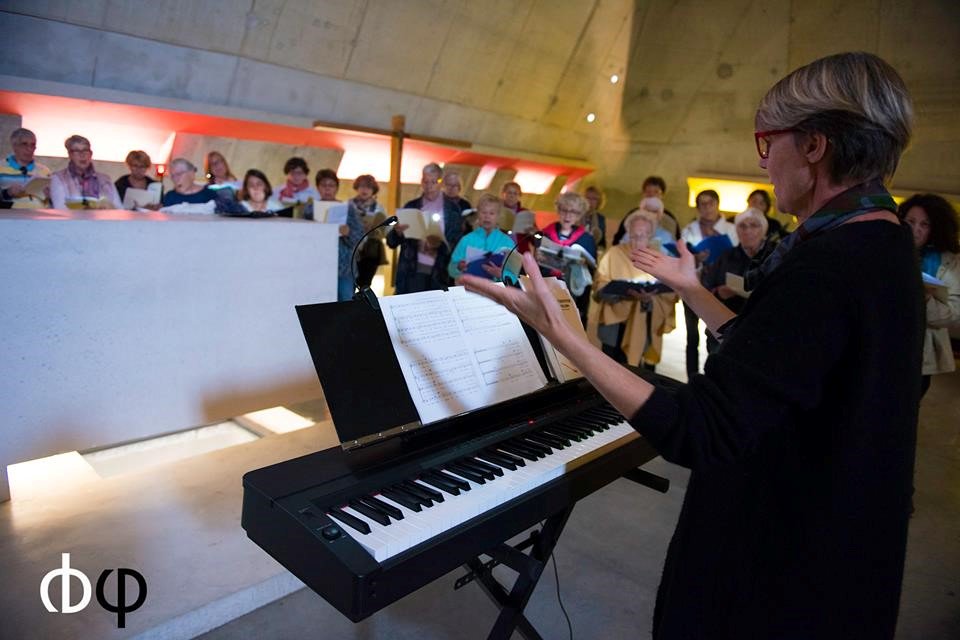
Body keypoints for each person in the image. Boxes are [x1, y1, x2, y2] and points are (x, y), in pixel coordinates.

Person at [461, 51, 920, 640]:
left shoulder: (830, 265)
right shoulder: (881, 241)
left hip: (780, 575)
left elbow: (704, 430)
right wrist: (694, 290)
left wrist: (565, 338)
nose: (764, 161)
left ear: (814, 145)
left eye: (766, 140)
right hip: (840, 553)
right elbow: (785, 364)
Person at [594, 211, 677, 370]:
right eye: (633, 235)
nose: (637, 240)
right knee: (611, 370)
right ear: (628, 233)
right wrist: (623, 293)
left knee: (643, 374)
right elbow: (599, 286)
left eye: (642, 236)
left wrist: (648, 299)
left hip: (646, 322)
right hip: (616, 325)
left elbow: (669, 294)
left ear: (650, 235)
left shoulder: (657, 258)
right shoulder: (614, 254)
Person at [899, 193, 960, 396]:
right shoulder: (889, 251)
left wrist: (924, 298)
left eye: (924, 225)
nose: (915, 230)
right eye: (911, 221)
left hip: (921, 354)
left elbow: (954, 315)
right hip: (883, 344)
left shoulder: (949, 262)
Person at [679, 189, 738, 379]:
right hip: (693, 285)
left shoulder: (731, 229)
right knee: (691, 336)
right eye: (702, 204)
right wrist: (695, 258)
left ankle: (713, 377)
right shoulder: (689, 229)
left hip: (719, 288)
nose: (706, 208)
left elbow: (737, 255)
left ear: (717, 204)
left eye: (710, 203)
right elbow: (681, 256)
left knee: (716, 334)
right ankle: (692, 377)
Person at [700, 207, 774, 353]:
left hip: (760, 330)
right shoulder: (726, 256)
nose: (747, 231)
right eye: (742, 226)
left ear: (763, 230)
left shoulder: (774, 257)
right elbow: (706, 287)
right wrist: (719, 293)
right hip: (723, 328)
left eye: (754, 225)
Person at [386, 162, 464, 294]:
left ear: (441, 182)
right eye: (425, 181)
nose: (429, 186)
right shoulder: (411, 206)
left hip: (440, 272)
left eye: (433, 182)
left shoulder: (452, 209)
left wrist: (440, 245)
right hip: (411, 272)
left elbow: (457, 243)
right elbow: (391, 242)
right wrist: (397, 232)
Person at [539, 192, 597, 327]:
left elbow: (592, 270)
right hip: (548, 289)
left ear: (580, 214)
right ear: (558, 210)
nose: (568, 215)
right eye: (564, 210)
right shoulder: (545, 233)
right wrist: (539, 258)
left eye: (574, 212)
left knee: (571, 328)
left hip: (573, 292)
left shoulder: (586, 239)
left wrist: (583, 264)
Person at [448, 194, 515, 280]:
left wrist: (502, 274)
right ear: (478, 214)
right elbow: (451, 269)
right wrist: (459, 267)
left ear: (498, 216)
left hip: (496, 291)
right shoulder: (466, 240)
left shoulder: (507, 243)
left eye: (491, 213)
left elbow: (514, 275)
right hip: (470, 289)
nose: (487, 216)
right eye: (483, 212)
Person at [50, 135, 122, 209]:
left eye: (85, 150)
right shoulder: (59, 178)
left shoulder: (106, 179)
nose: (82, 155)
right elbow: (60, 209)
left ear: (91, 154)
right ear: (70, 155)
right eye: (77, 151)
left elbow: (119, 209)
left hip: (104, 219)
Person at [612, 176, 680, 244]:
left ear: (662, 195)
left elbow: (677, 241)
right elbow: (618, 239)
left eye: (656, 192)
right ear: (643, 194)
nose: (652, 194)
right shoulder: (633, 215)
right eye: (648, 191)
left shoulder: (669, 218)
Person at [350, 174, 388, 290]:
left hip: (371, 251)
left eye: (368, 187)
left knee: (365, 285)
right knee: (350, 283)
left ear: (373, 190)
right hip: (351, 248)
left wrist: (374, 229)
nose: (364, 190)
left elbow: (384, 230)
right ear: (357, 188)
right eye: (361, 186)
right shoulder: (349, 205)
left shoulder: (379, 208)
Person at [1, 128, 51, 209]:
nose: (29, 149)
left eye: (33, 145)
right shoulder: (1, 168)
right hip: (10, 218)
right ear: (14, 146)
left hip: (40, 217)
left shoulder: (44, 171)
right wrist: (7, 193)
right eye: (24, 144)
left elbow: (54, 202)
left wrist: (51, 196)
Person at [583, 185, 608, 251]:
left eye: (594, 199)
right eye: (588, 198)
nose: (590, 201)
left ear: (599, 201)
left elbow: (602, 243)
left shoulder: (600, 219)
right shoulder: (575, 215)